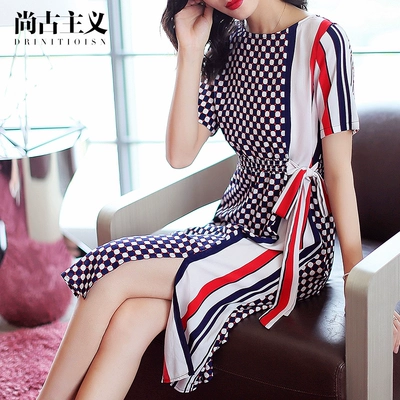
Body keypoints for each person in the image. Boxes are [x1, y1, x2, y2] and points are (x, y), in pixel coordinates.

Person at [37, 0, 400, 399]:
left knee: (110, 272)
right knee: (131, 317)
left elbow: (338, 173)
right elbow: (180, 154)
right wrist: (191, 50)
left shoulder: (322, 39)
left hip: (291, 245)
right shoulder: (230, 43)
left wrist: (358, 286)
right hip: (229, 227)